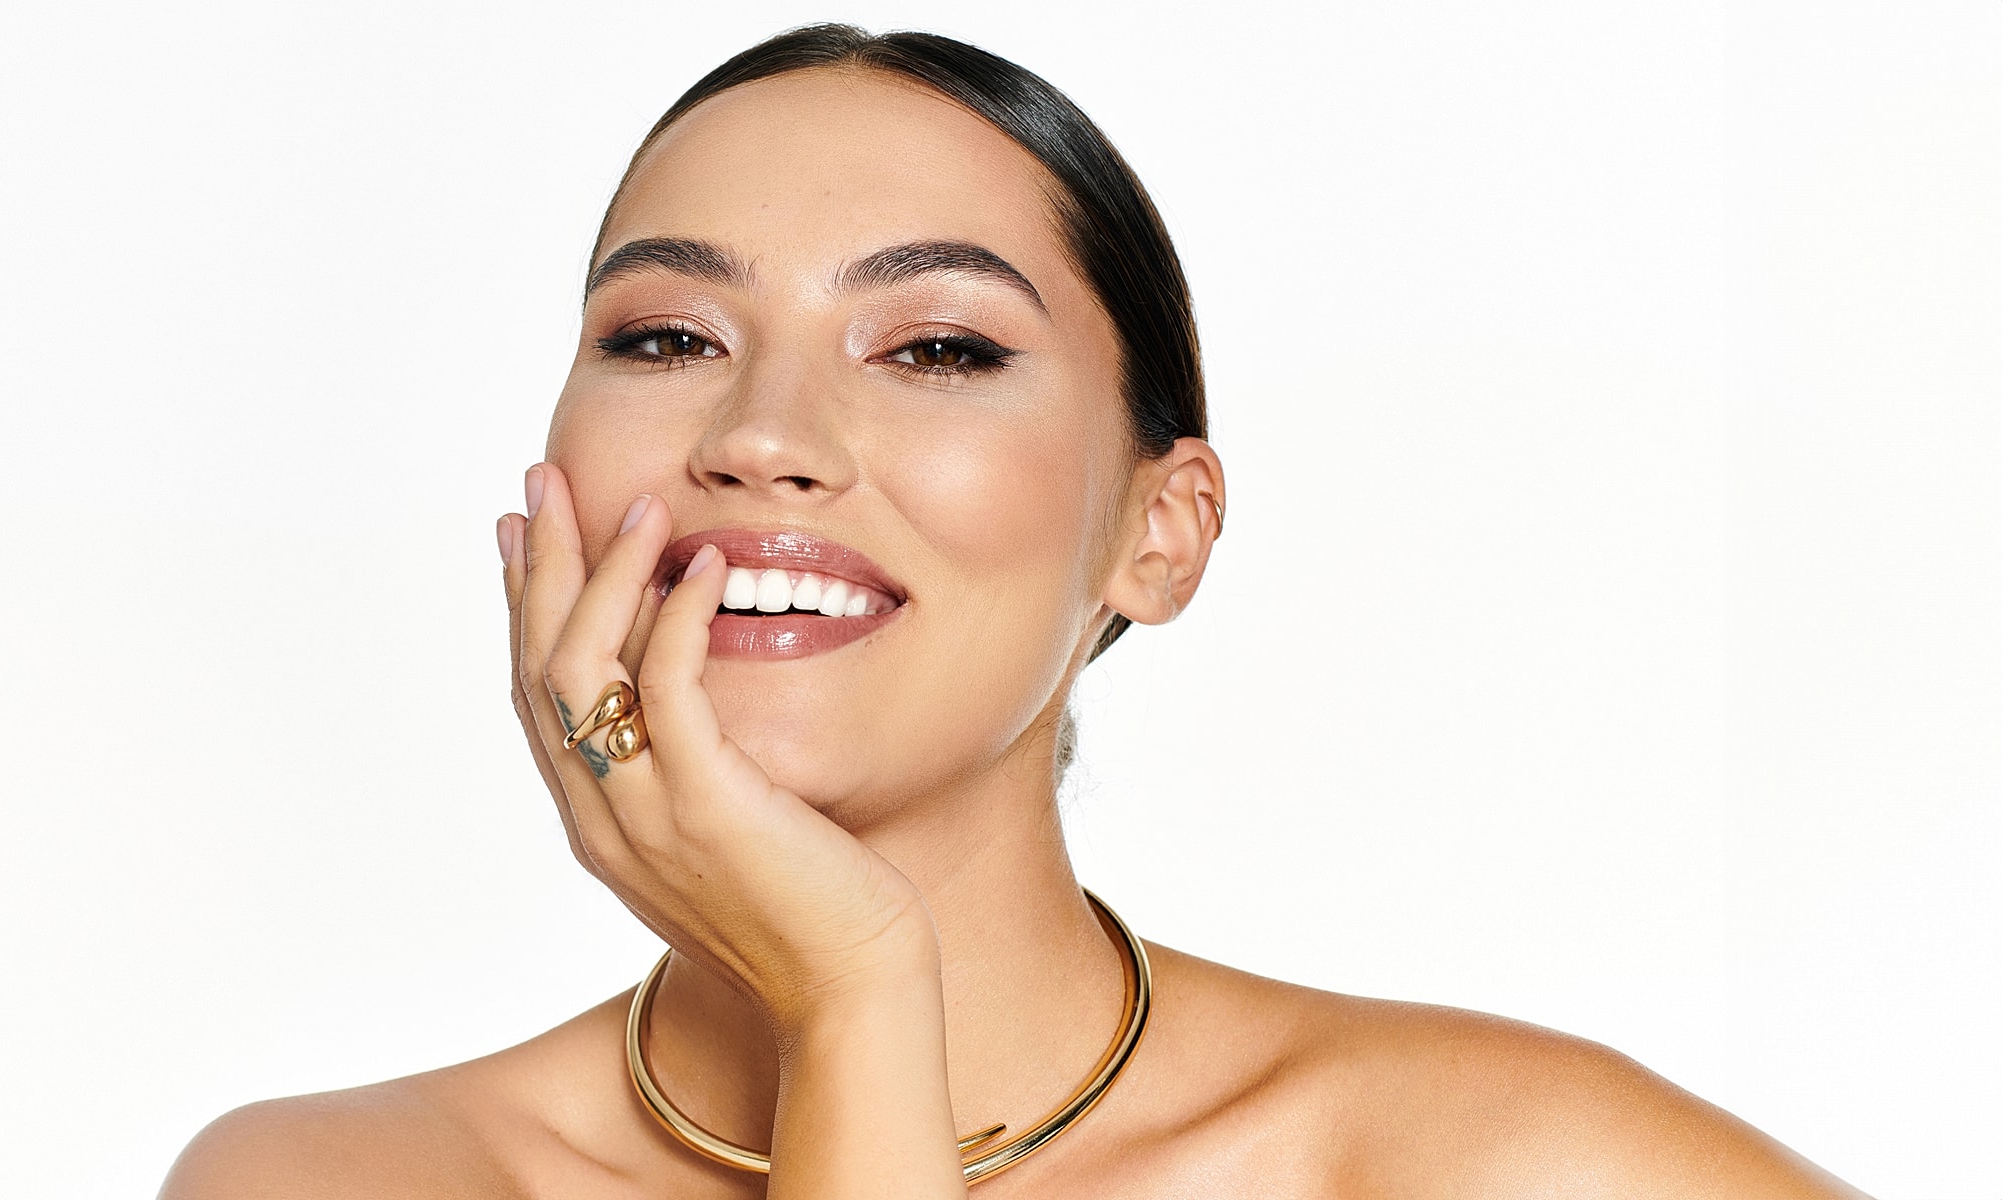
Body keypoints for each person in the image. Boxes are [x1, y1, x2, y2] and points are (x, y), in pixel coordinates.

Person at [161, 25, 1863, 1198]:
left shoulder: (1496, 1170)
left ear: (1160, 533)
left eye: (941, 350)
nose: (759, 437)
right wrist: (856, 997)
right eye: (665, 338)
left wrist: (851, 993)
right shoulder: (350, 1178)